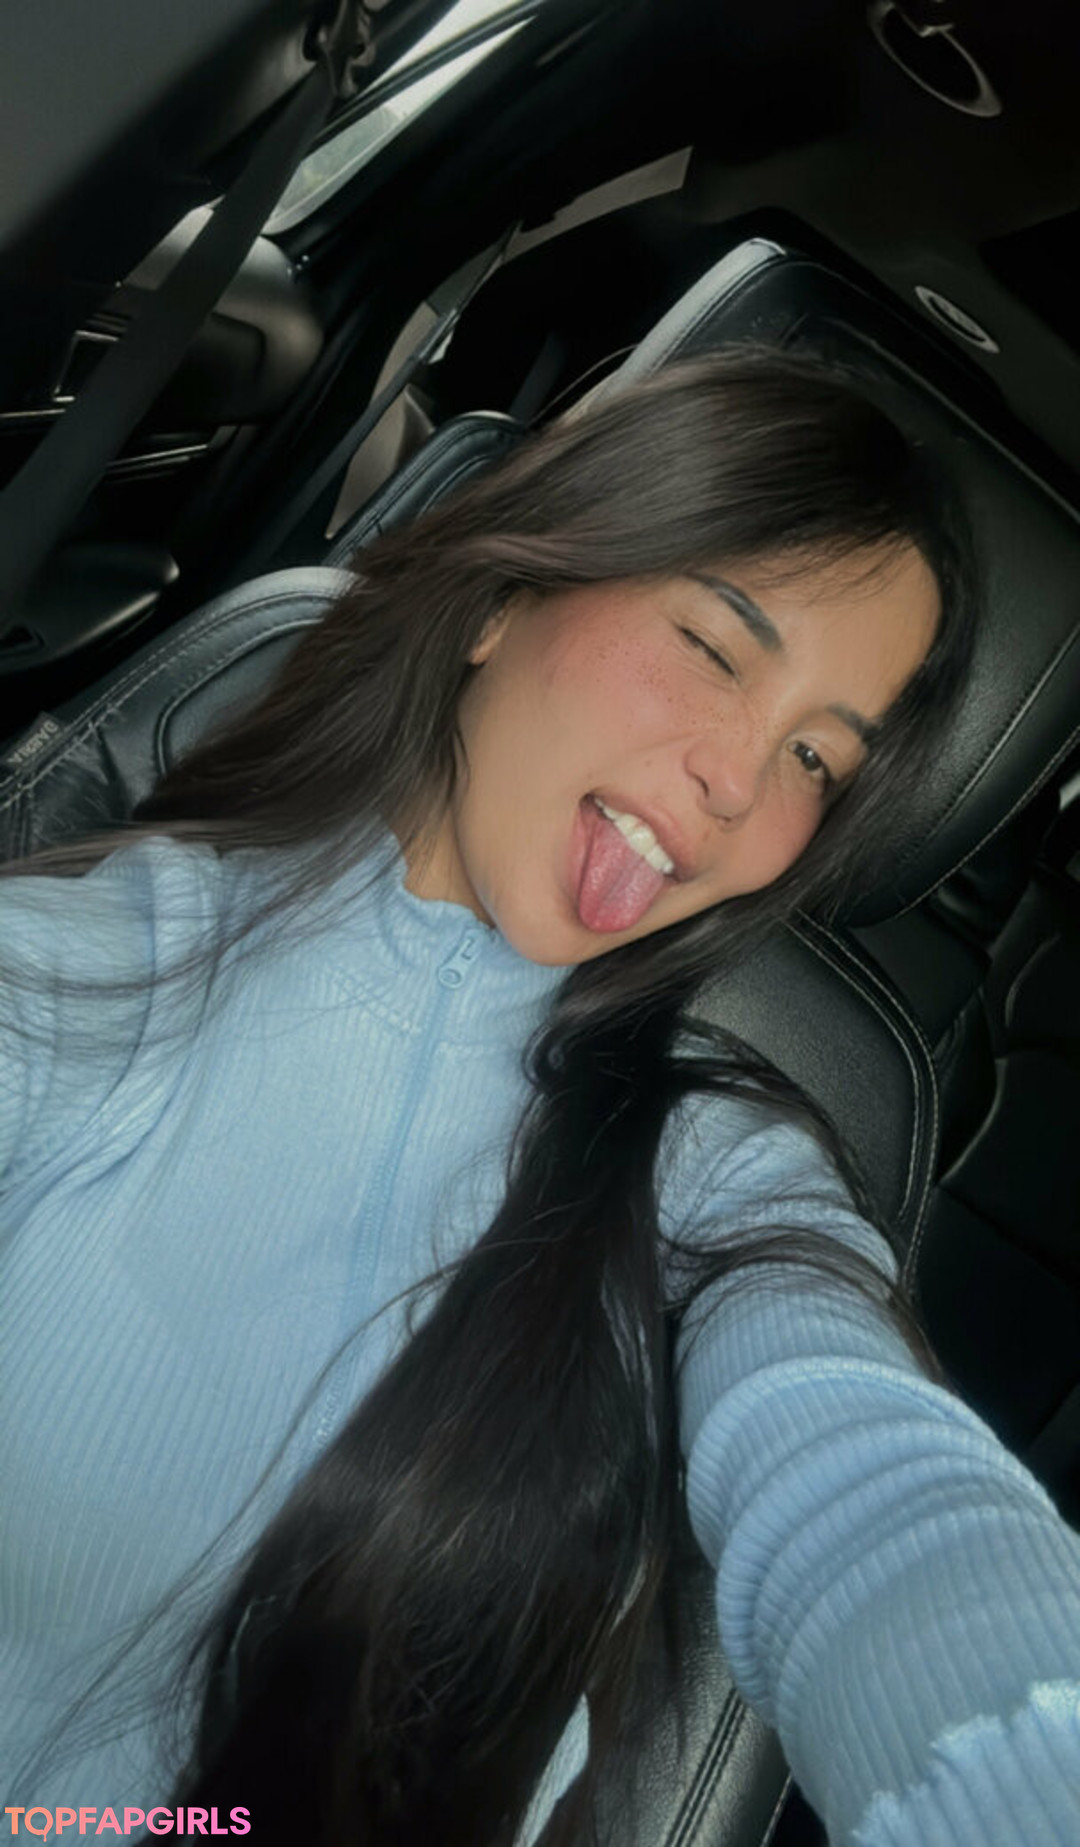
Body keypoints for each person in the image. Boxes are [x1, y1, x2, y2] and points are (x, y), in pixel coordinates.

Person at [1, 350, 1078, 1847]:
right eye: (715, 646)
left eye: (815, 758)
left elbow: (871, 1484)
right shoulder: (96, 962)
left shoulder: (716, 1167)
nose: (739, 784)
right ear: (508, 598)